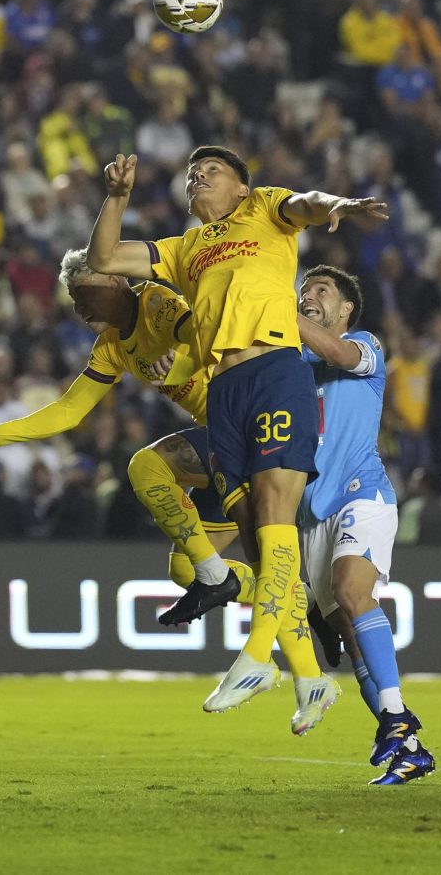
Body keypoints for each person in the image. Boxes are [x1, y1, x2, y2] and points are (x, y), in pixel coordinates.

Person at [85, 146, 387, 732]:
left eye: (213, 171)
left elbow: (306, 202)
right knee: (254, 534)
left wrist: (340, 204)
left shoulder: (265, 210)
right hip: (223, 390)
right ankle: (311, 679)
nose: (198, 177)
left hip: (274, 370)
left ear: (243, 189)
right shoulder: (184, 250)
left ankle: (255, 656)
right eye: (192, 173)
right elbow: (104, 255)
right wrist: (117, 197)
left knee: (275, 511)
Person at [0, 248, 253, 603]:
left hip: (243, 419)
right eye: (75, 298)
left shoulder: (154, 300)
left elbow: (207, 335)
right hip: (218, 440)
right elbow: (69, 410)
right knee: (185, 570)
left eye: (87, 293)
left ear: (117, 280)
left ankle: (218, 579)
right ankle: (293, 599)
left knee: (147, 467)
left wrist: (181, 362)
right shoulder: (110, 348)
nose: (81, 307)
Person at [296, 264, 435, 785]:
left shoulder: (363, 344)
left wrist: (279, 312)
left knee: (355, 594)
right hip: (311, 511)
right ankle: (410, 749)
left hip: (362, 492)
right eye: (304, 289)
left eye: (321, 291)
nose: (309, 296)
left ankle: (397, 716)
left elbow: (336, 354)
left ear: (345, 307)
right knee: (351, 642)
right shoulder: (292, 361)